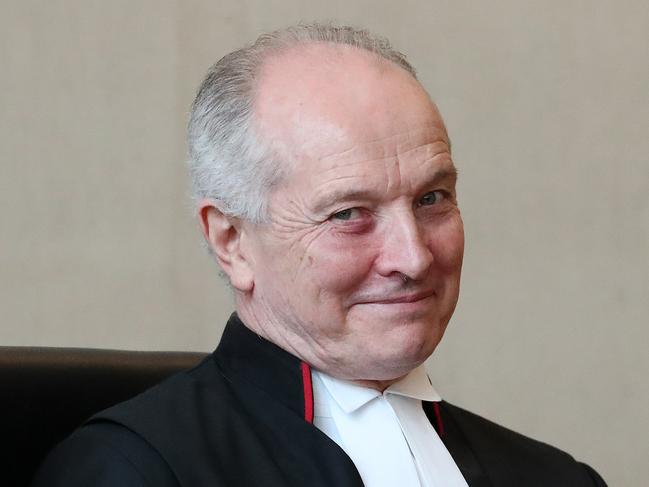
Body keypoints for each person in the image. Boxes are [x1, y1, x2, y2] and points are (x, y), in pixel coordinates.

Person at [33, 24, 606, 487]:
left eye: (432, 198)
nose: (413, 257)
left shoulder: (555, 476)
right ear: (231, 242)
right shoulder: (129, 471)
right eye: (348, 214)